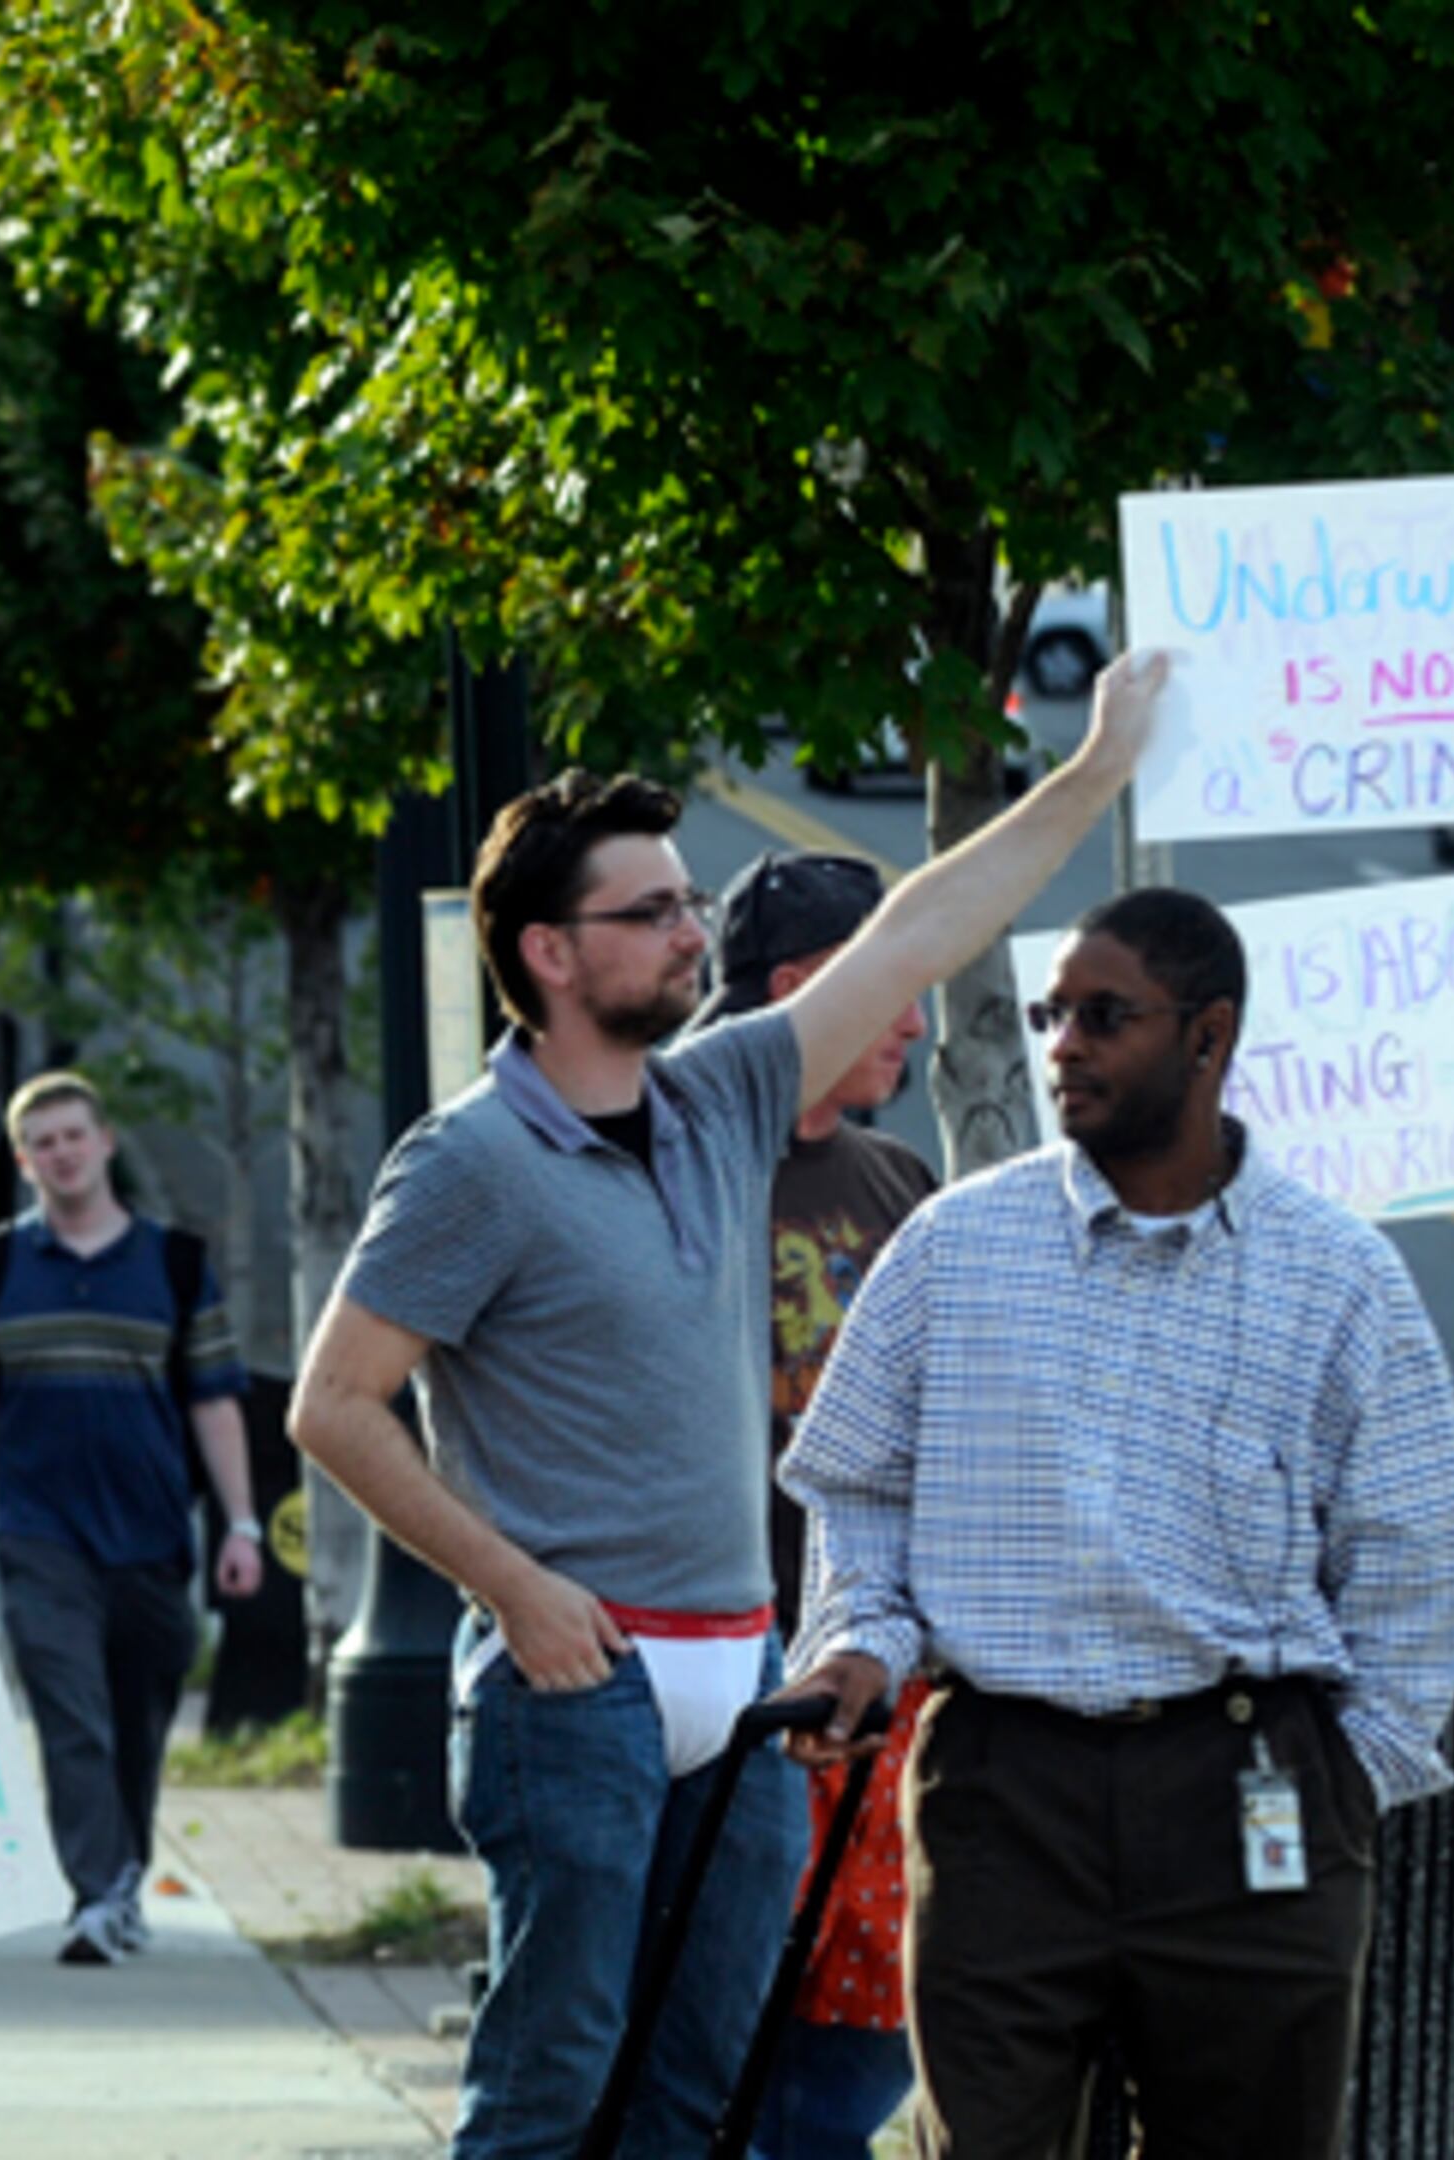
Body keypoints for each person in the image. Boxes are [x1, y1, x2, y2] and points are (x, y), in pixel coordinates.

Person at [285, 651, 1169, 2160]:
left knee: (694, 2105)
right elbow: (335, 1406)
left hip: (744, 1680)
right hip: (578, 1694)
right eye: (652, 913)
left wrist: (1088, 779)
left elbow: (914, 936)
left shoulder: (722, 1097)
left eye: (692, 905)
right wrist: (516, 1590)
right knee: (549, 2095)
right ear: (551, 954)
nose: (691, 932)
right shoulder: (470, 1162)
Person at [777, 888, 1454, 2158]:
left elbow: (1418, 1556)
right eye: (1051, 1015)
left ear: (1208, 1036)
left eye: (1105, 1017)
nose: (1064, 1047)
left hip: (1248, 1794)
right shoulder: (955, 1246)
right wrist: (861, 1639)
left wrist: (1341, 1775)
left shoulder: (1337, 1275)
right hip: (1003, 1788)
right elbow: (858, 1487)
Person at [696, 852, 938, 2160]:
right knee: (721, 2037)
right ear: (806, 989)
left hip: (867, 1694)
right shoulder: (680, 1166)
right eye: (895, 987)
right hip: (720, 1688)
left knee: (852, 2061)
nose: (914, 1018)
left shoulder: (900, 1184)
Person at [0, 1070, 262, 1967]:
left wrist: (242, 1525)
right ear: (22, 1159)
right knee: (68, 1712)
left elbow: (215, 1405)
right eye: (43, 1142)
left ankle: (122, 1874)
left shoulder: (174, 1263)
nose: (62, 1154)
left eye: (74, 1135)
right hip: (38, 1536)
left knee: (139, 1717)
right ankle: (99, 1893)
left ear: (105, 1143)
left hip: (154, 1538)